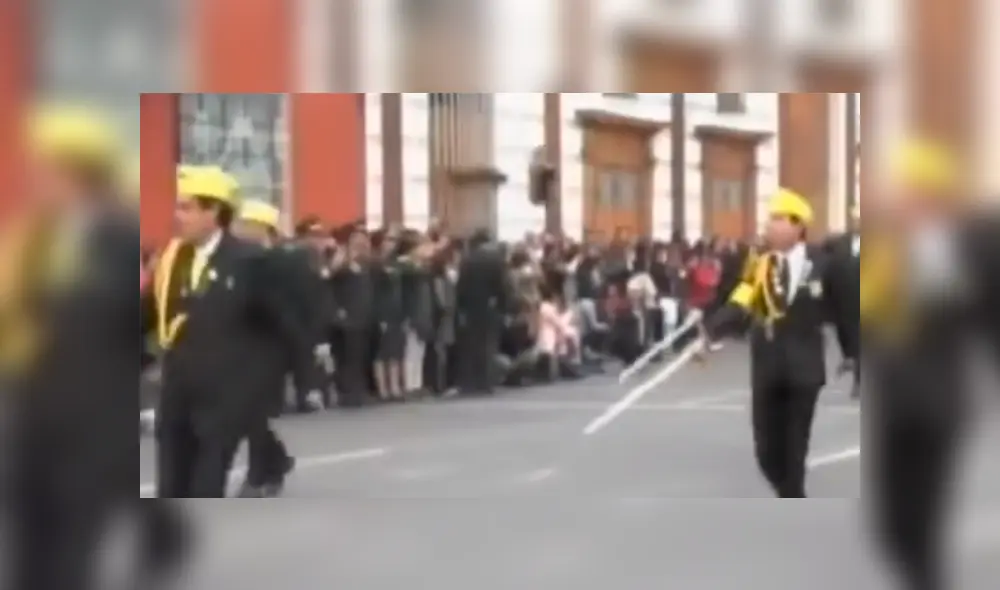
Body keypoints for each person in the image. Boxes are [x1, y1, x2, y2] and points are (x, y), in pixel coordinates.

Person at [0, 106, 158, 589]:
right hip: (29, 407)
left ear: (82, 174)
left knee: (71, 543)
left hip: (88, 412)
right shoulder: (35, 237)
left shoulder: (117, 238)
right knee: (28, 537)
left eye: (51, 169)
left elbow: (133, 318)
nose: (41, 178)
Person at [862, 138, 1000, 590]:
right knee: (889, 524)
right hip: (893, 402)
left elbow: (990, 321)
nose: (902, 199)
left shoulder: (969, 250)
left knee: (923, 520)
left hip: (939, 404)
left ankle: (927, 581)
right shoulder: (885, 250)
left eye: (913, 190)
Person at [143, 166, 316, 497]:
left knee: (205, 489)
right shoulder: (172, 259)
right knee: (171, 488)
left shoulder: (250, 262)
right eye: (178, 206)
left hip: (222, 401)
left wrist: (306, 380)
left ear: (214, 212)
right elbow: (149, 314)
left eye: (187, 207)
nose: (177, 216)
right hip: (177, 395)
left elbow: (286, 324)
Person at [699, 188, 854, 498]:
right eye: (770, 219)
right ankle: (789, 492)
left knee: (795, 451)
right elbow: (740, 300)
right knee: (767, 453)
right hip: (767, 366)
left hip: (804, 369)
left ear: (798, 227)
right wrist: (712, 331)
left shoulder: (825, 264)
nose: (768, 226)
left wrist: (851, 351)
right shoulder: (759, 263)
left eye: (777, 220)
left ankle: (793, 502)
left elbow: (846, 308)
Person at [231, 199, 323, 496]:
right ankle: (277, 461)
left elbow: (309, 305)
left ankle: (259, 475)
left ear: (263, 228)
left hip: (277, 347)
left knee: (254, 410)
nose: (239, 230)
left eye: (245, 225)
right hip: (243, 345)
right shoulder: (239, 260)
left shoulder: (290, 261)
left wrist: (312, 345)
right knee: (244, 411)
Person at [455, 229, 508, 395]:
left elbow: (461, 286)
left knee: (470, 345)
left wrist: (461, 307)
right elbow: (502, 286)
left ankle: (469, 383)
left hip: (471, 307)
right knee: (489, 345)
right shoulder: (495, 259)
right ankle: (486, 382)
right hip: (490, 306)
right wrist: (502, 306)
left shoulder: (467, 259)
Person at [825, 203, 861, 399]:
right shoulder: (840, 244)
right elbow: (828, 269)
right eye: (855, 220)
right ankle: (849, 358)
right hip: (844, 301)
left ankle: (859, 380)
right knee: (848, 337)